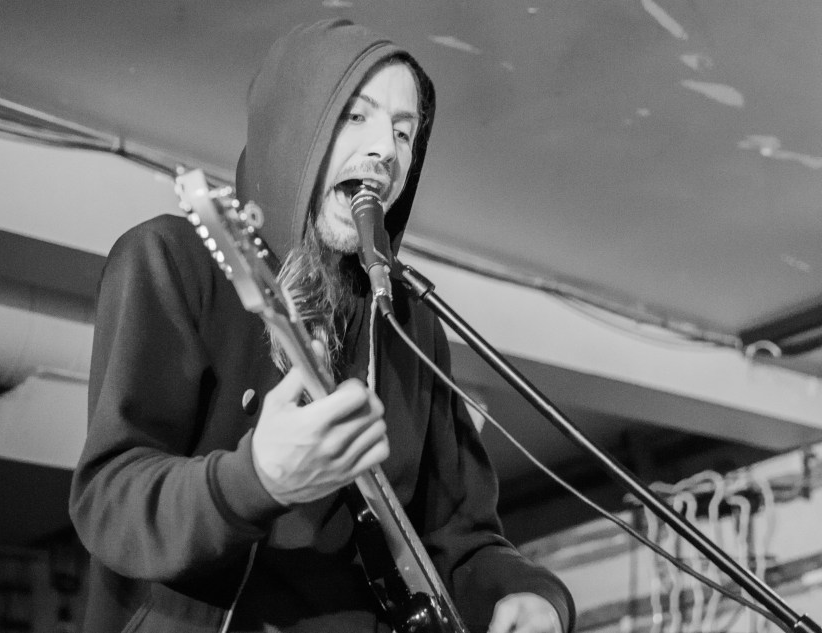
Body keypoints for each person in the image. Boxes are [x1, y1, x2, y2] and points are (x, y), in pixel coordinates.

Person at [69, 18, 575, 633]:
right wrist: (252, 479)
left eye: (405, 133)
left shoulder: (409, 321)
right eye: (355, 116)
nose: (387, 151)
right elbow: (109, 502)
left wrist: (533, 595)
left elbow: (461, 537)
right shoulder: (171, 261)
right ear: (295, 126)